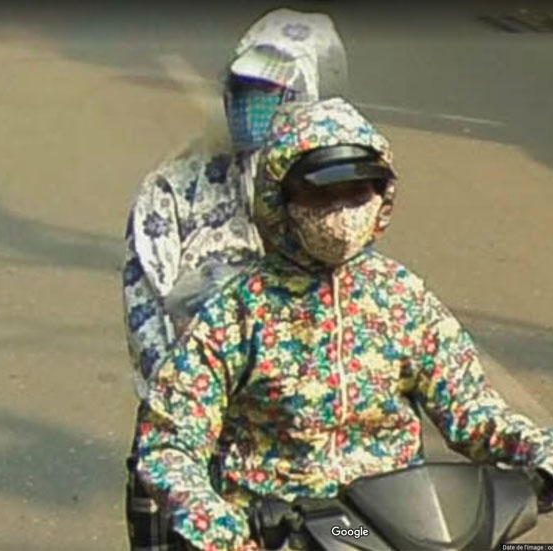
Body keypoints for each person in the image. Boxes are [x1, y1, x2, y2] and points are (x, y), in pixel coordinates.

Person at [131, 98, 553, 551]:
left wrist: (547, 458)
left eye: (357, 194)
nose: (341, 213)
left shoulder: (401, 298)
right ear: (281, 200)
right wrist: (224, 526)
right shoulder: (239, 310)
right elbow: (170, 441)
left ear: (382, 197)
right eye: (322, 195)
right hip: (288, 533)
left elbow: (472, 410)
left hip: (391, 530)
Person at [121, 9, 349, 548]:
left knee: (360, 536)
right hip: (196, 446)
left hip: (321, 475)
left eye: (268, 94)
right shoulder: (177, 187)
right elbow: (144, 307)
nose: (250, 108)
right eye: (242, 91)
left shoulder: (343, 197)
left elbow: (438, 378)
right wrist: (188, 408)